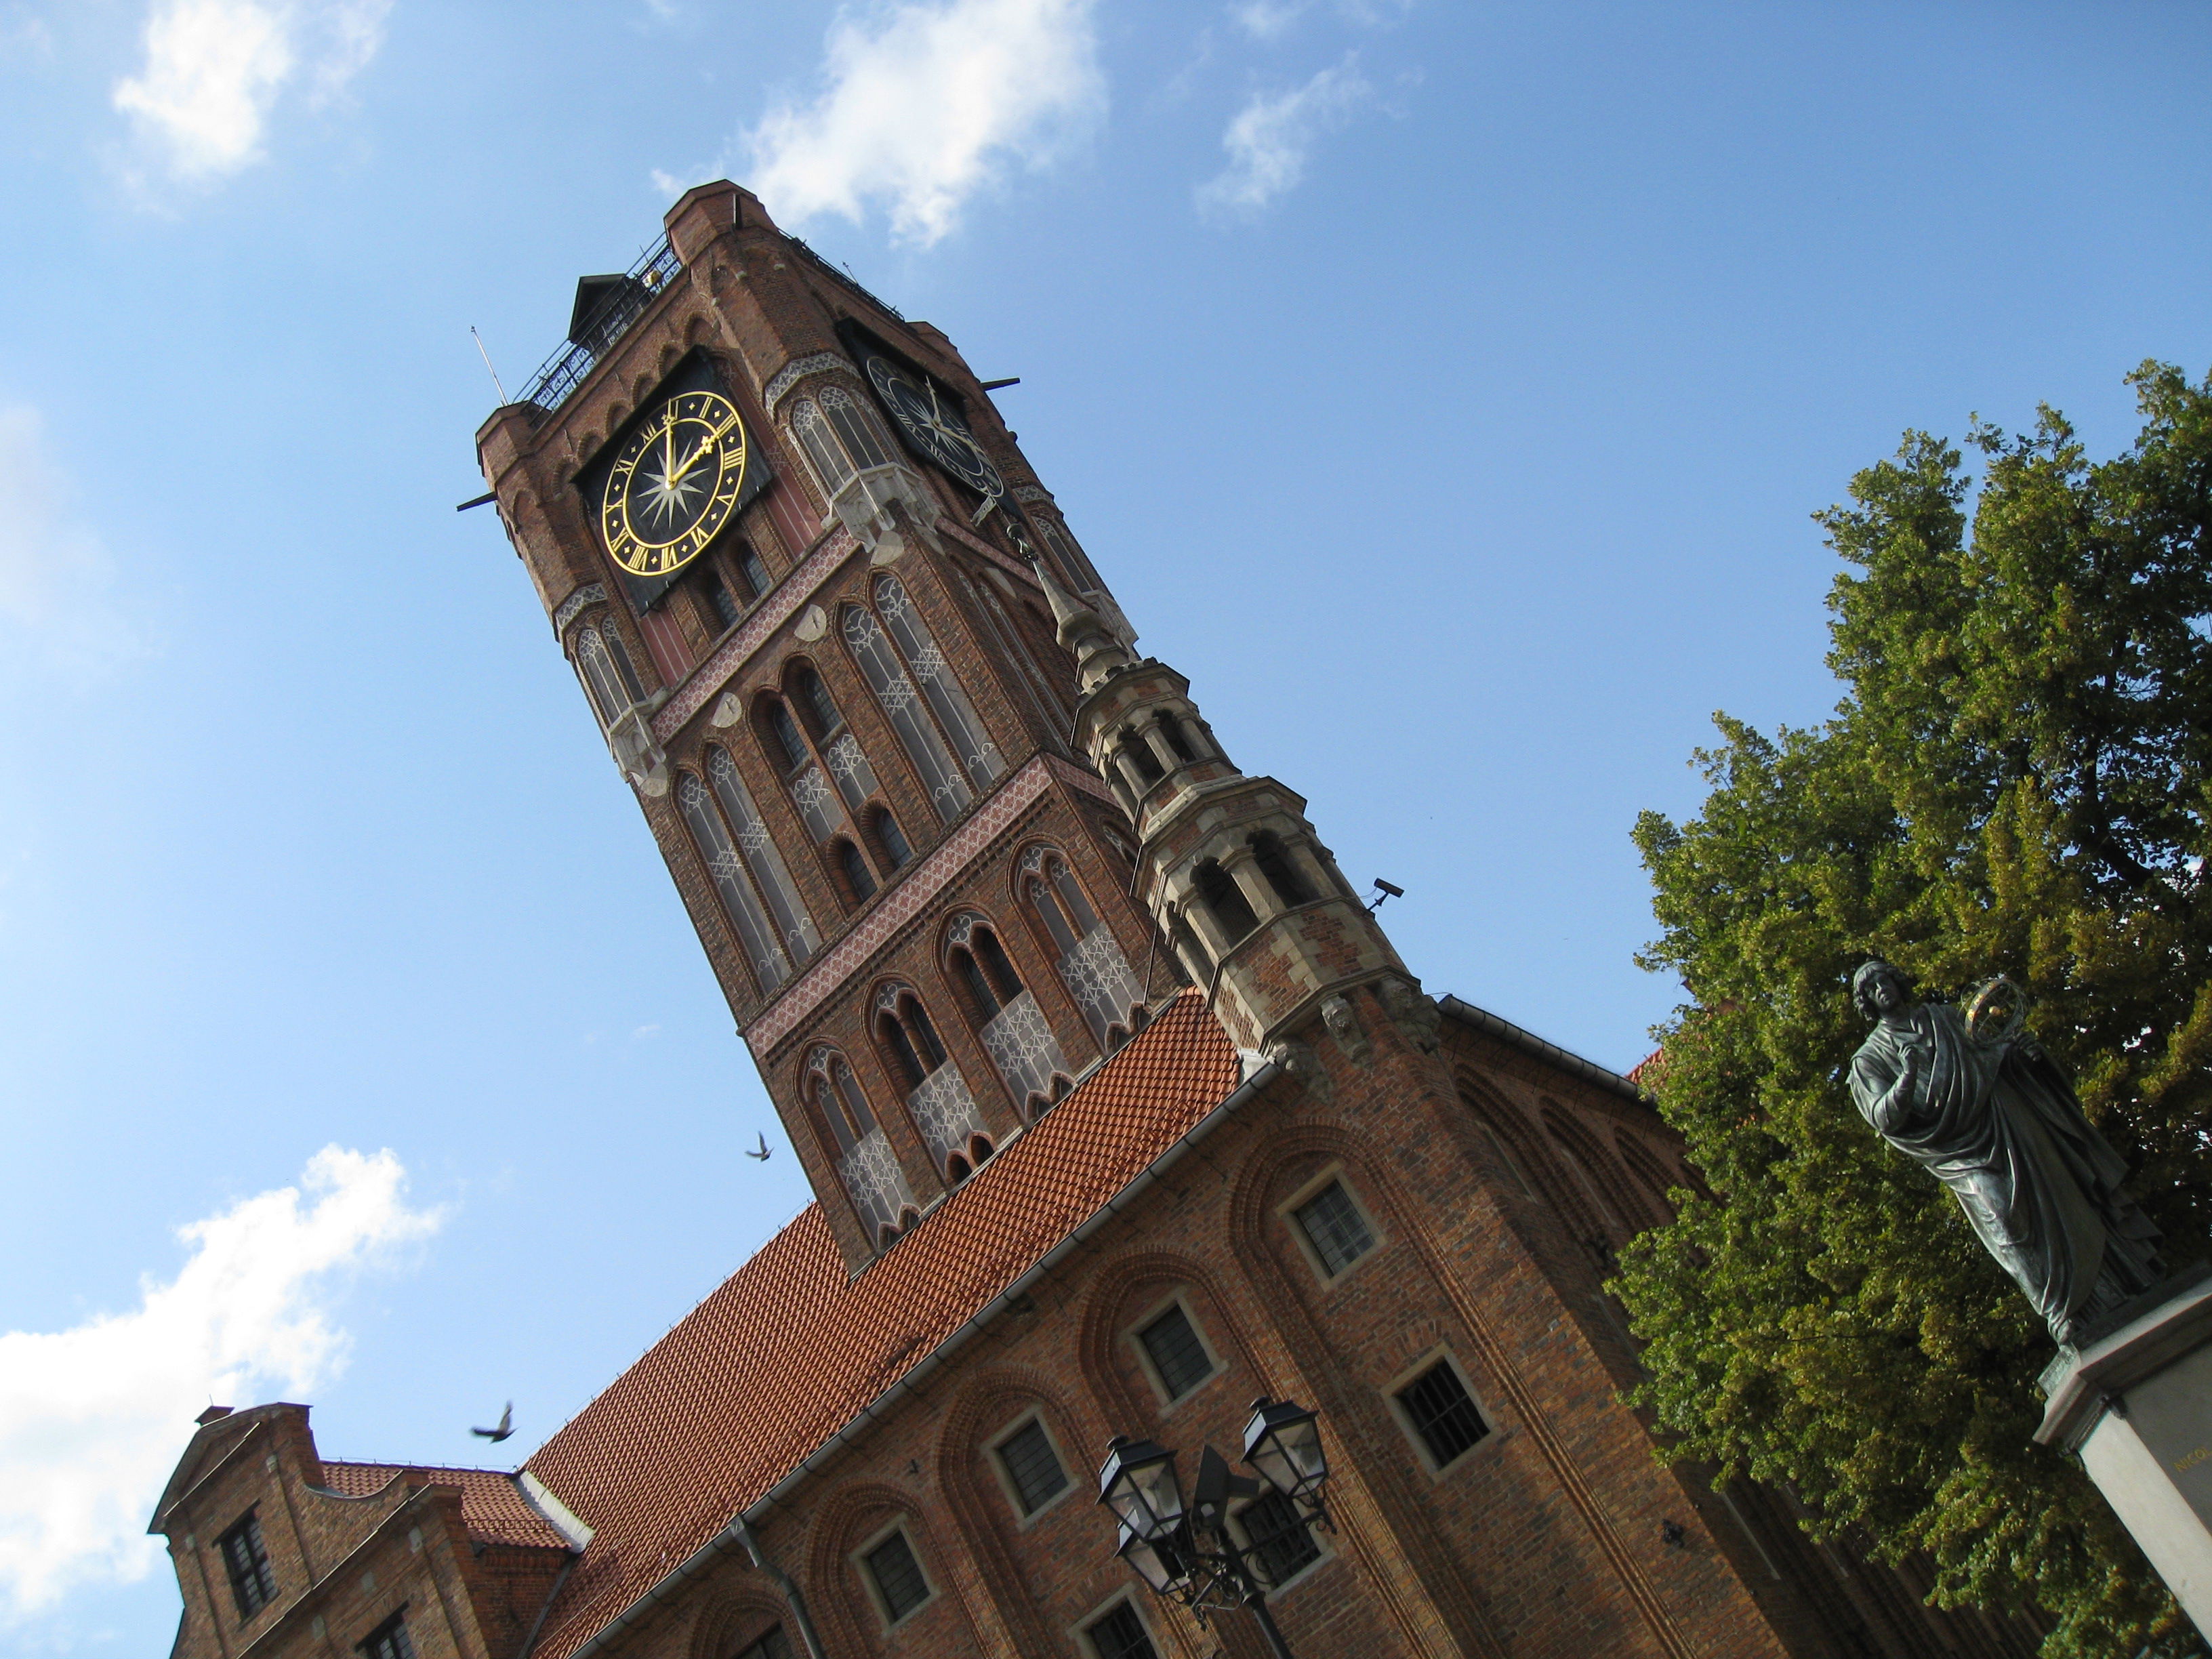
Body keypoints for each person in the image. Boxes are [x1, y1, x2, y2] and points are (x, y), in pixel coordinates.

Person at [1848, 960, 2164, 1347]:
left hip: (2009, 1120)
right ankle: (2060, 1310)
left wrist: (2025, 1054)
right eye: (1870, 988)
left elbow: (1993, 1053)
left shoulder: (1945, 1018)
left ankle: (2123, 1282)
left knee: (2067, 1193)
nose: (1881, 988)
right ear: (1867, 1002)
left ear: (1897, 982)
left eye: (1884, 979)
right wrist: (1908, 1076)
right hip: (1964, 1152)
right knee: (2005, 1218)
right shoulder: (1869, 1058)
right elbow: (1884, 1117)